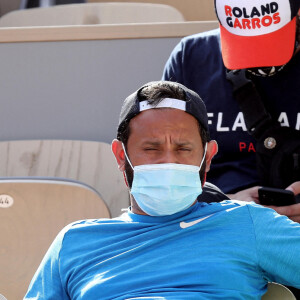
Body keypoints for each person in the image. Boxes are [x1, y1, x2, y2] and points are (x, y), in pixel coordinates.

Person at [24, 81, 300, 299]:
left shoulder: (247, 224)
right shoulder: (74, 242)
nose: (168, 160)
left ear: (208, 156)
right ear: (121, 156)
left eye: (183, 148)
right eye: (151, 149)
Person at [162, 0, 300, 221]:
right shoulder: (191, 58)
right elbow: (163, 169)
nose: (259, 57)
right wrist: (222, 203)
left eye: (270, 39)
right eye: (245, 40)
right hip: (211, 224)